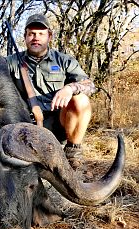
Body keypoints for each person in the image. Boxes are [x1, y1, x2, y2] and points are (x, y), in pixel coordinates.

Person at [6, 14, 96, 169]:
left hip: (57, 124)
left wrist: (70, 88)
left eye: (41, 34)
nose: (36, 37)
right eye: (31, 33)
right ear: (25, 37)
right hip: (22, 126)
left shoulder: (64, 60)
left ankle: (73, 155)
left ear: (49, 36)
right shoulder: (11, 62)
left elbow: (90, 85)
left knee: (81, 100)